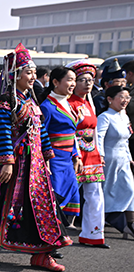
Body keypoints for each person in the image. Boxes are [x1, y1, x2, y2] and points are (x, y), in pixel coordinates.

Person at [0, 44, 71, 271]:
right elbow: (2, 132)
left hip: (34, 167)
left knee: (43, 205)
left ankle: (43, 253)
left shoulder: (31, 101)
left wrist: (46, 158)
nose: (33, 76)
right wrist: (7, 162)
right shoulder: (7, 101)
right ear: (15, 75)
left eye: (34, 71)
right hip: (13, 165)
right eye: (28, 71)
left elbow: (41, 131)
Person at [68, 60, 109, 248]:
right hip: (72, 153)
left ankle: (93, 234)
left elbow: (94, 131)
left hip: (91, 154)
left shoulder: (89, 103)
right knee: (64, 194)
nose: (87, 83)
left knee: (95, 194)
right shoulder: (68, 103)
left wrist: (98, 152)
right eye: (82, 80)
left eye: (90, 80)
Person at [40, 66, 82, 219]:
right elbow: (41, 136)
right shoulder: (47, 107)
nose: (73, 84)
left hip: (68, 161)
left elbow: (72, 134)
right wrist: (45, 160)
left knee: (68, 198)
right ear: (56, 82)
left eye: (75, 80)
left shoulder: (69, 105)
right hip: (54, 161)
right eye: (70, 79)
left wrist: (76, 155)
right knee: (53, 200)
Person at [97, 86, 134, 237]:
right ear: (110, 99)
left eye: (127, 97)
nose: (125, 100)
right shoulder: (105, 117)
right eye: (121, 97)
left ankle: (129, 222)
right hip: (109, 159)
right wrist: (100, 155)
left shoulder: (124, 116)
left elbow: (125, 141)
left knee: (129, 189)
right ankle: (106, 219)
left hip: (123, 159)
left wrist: (130, 157)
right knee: (108, 190)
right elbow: (98, 137)